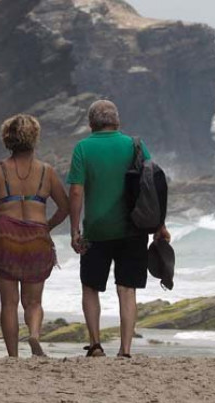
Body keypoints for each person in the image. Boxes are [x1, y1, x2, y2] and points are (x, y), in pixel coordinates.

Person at [67, 100, 171, 358]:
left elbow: (77, 190)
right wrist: (160, 225)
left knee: (90, 287)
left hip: (96, 231)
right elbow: (151, 186)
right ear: (117, 121)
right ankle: (125, 350)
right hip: (133, 229)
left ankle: (95, 345)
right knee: (127, 289)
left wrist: (74, 230)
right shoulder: (134, 145)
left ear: (91, 123)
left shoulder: (83, 148)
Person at [0, 114, 70, 357]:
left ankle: (13, 355)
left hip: (5, 236)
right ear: (34, 139)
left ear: (7, 139)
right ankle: (35, 335)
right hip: (37, 236)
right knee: (34, 302)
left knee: (9, 303)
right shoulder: (47, 172)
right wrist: (46, 226)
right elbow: (65, 207)